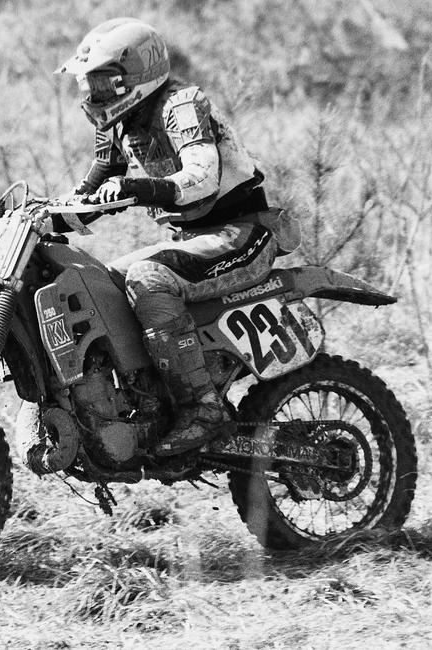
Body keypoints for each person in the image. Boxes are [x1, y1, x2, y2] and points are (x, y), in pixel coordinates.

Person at [55, 18, 299, 456]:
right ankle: (145, 397)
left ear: (137, 76)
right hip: (190, 239)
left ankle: (202, 408)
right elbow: (92, 189)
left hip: (242, 232)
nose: (94, 95)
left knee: (148, 278)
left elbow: (202, 178)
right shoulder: (118, 122)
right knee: (101, 282)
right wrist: (44, 215)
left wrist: (136, 187)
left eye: (104, 83)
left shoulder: (181, 104)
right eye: (89, 84)